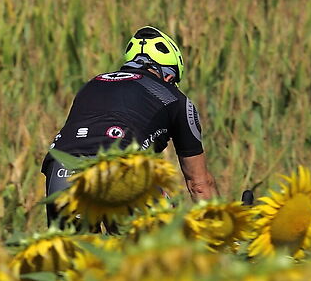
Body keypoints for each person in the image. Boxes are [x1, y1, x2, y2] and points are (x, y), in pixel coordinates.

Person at [42, 25, 220, 209]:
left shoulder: (92, 84)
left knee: (72, 231)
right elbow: (199, 185)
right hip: (120, 168)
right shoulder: (175, 98)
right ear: (169, 77)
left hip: (62, 165)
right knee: (169, 223)